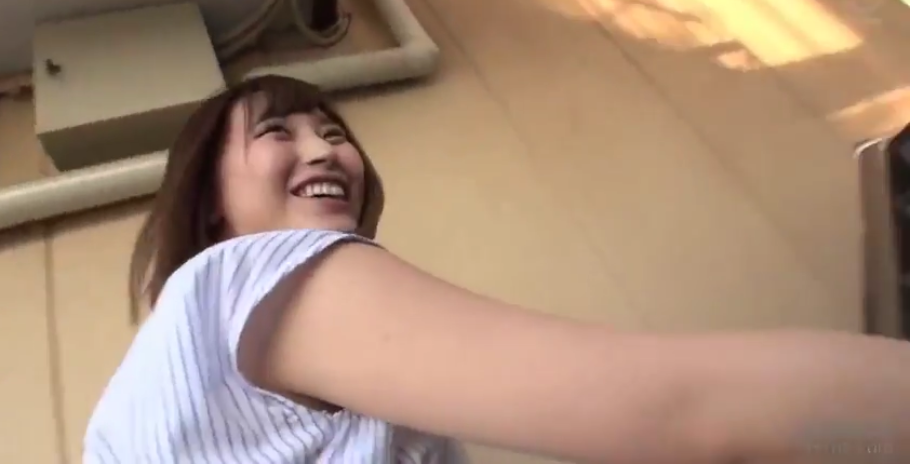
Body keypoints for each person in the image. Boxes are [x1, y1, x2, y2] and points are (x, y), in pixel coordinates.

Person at [84, 74, 910, 464]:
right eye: (278, 131)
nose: (326, 149)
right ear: (210, 201)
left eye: (333, 131)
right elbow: (682, 407)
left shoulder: (150, 390)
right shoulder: (240, 281)